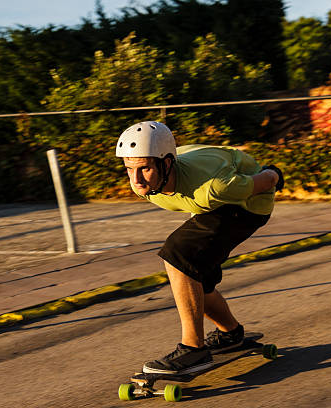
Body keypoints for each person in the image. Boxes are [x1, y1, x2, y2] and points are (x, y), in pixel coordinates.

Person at [116, 121, 283, 375]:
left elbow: (268, 180)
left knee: (178, 254)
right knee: (195, 277)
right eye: (129, 169)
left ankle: (194, 349)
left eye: (145, 169)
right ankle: (231, 333)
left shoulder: (216, 187)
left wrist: (273, 173)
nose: (136, 179)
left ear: (167, 163)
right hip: (211, 196)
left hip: (248, 205)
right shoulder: (145, 181)